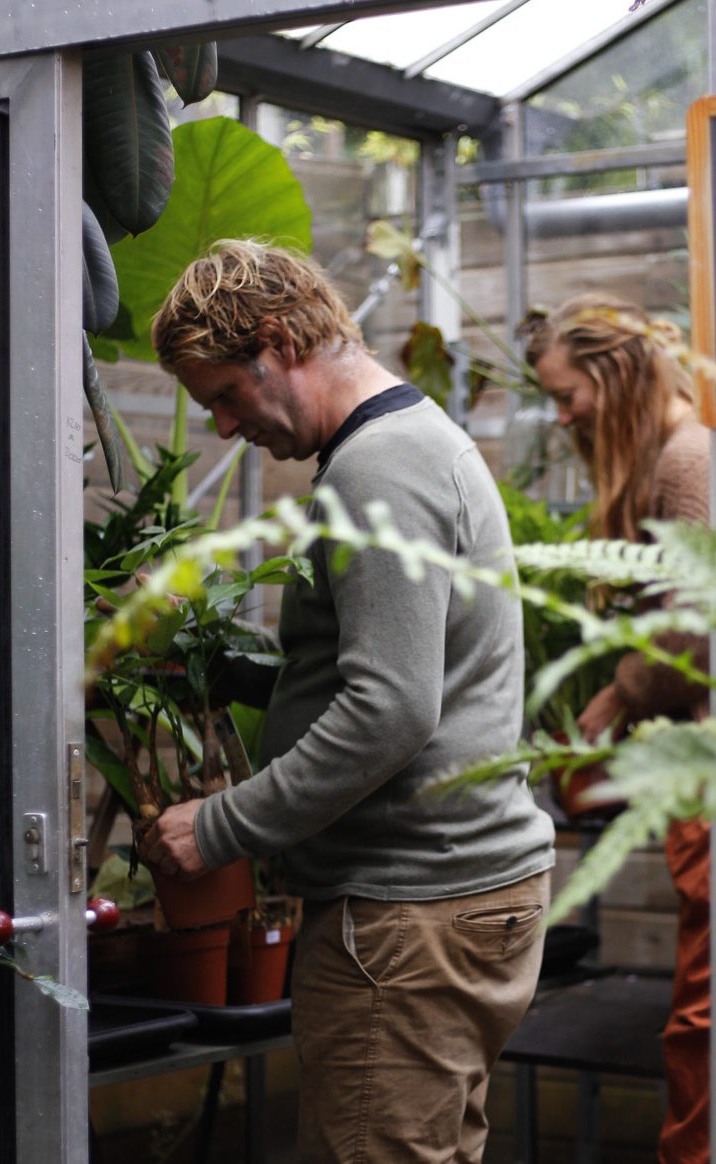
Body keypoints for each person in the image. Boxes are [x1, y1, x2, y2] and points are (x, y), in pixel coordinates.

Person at [139, 239, 555, 1164]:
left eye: (223, 395)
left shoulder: (378, 472)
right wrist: (223, 671)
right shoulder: (406, 443)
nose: (218, 427)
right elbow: (405, 674)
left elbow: (390, 711)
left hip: (410, 915)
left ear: (278, 342)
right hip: (455, 897)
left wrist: (217, 829)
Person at [526, 293, 712, 1164]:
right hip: (704, 772)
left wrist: (615, 698)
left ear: (617, 370)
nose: (565, 416)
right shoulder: (675, 455)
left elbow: (694, 627)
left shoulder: (688, 461)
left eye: (569, 395)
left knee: (706, 1013)